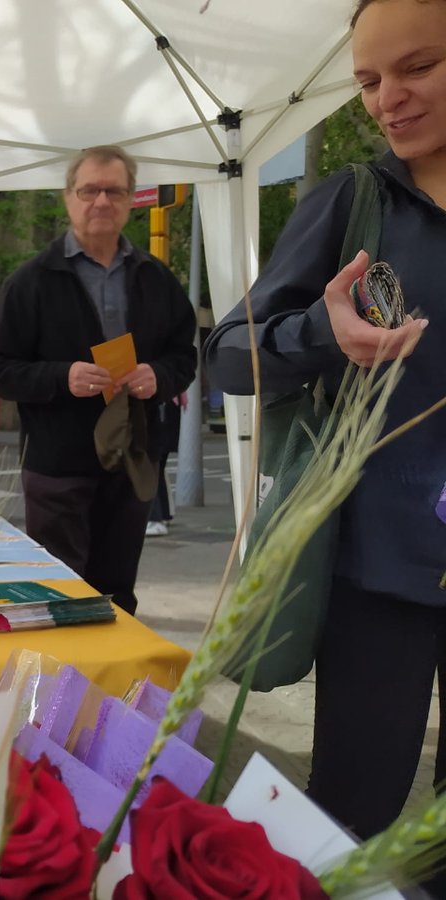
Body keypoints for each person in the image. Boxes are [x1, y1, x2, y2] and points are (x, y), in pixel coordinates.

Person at [204, 0, 445, 866]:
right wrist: (318, 333)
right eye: (370, 81)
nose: (390, 99)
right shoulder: (353, 206)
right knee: (350, 824)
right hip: (375, 571)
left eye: (418, 67)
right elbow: (226, 354)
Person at [0, 145, 196, 615]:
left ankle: (112, 687)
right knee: (61, 598)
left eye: (113, 191)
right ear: (68, 198)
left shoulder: (155, 278)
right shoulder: (32, 280)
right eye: (89, 190)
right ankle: (60, 688)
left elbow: (185, 356)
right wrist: (62, 377)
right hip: (57, 466)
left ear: (131, 198)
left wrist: (158, 374)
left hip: (132, 459)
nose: (101, 201)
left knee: (118, 594)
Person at [145, 392, 185, 537]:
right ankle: (164, 514)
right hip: (167, 416)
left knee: (147, 469)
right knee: (157, 467)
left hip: (157, 420)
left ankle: (154, 518)